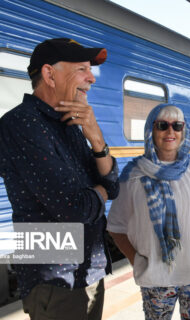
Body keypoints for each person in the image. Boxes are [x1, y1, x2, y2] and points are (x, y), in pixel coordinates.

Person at [0, 38, 119, 319]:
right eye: (81, 69)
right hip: (55, 277)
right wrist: (99, 191)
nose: (91, 78)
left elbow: (113, 185)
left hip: (87, 269)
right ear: (49, 75)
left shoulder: (70, 123)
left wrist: (96, 137)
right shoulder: (21, 124)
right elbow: (75, 207)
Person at [107, 104, 190, 320]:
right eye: (162, 125)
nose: (171, 132)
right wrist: (137, 261)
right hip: (156, 277)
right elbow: (116, 226)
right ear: (151, 131)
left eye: (177, 126)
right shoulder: (134, 175)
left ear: (184, 132)